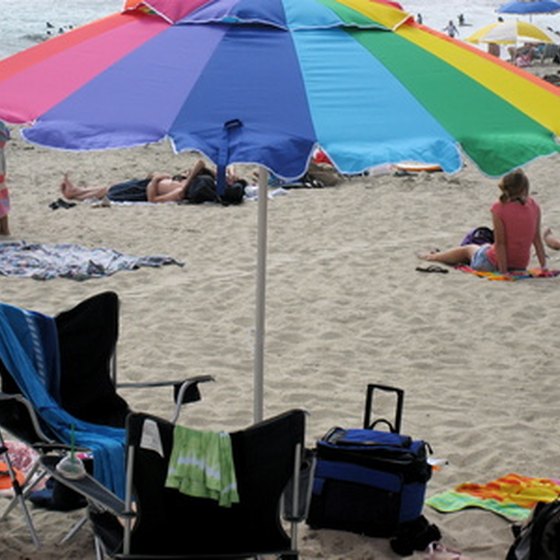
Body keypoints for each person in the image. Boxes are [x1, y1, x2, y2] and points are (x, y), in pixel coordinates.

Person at [419, 169, 547, 274]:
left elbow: (501, 244)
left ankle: (432, 257)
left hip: (492, 263)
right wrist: (543, 267)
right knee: (483, 248)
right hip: (520, 265)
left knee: (469, 249)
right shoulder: (534, 206)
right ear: (525, 189)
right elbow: (537, 239)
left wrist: (503, 273)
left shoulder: (499, 208)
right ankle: (436, 256)